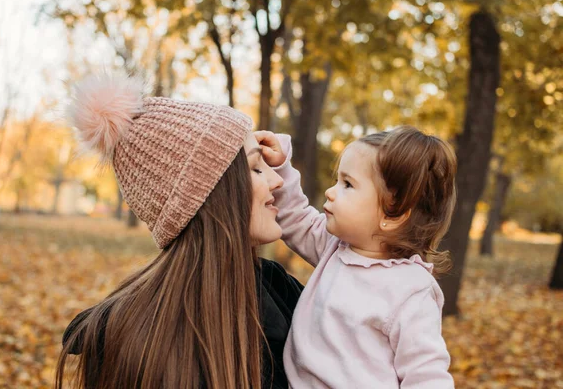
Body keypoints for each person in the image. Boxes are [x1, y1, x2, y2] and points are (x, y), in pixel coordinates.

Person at [56, 74, 302, 389]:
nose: (277, 180)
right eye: (256, 167)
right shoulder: (134, 340)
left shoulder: (278, 289)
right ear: (210, 194)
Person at [255, 126, 457, 388]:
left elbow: (426, 375)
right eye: (337, 180)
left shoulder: (410, 290)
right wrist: (280, 164)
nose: (331, 191)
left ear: (391, 215)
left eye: (348, 184)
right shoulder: (335, 248)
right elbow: (294, 216)